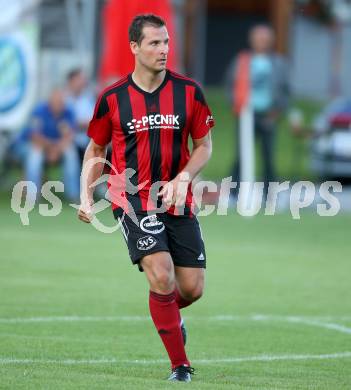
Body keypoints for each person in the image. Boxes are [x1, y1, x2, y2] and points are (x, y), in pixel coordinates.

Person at [78, 14, 214, 382]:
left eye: (166, 42)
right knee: (161, 273)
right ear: (134, 47)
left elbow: (204, 146)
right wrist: (86, 196)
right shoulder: (112, 98)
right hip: (132, 198)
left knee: (191, 288)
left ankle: (166, 310)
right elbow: (95, 149)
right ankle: (180, 366)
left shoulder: (188, 92)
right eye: (154, 43)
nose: (164, 49)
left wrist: (184, 177)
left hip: (177, 198)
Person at [226, 24, 289, 197]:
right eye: (258, 38)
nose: (261, 41)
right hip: (246, 115)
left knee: (268, 155)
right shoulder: (242, 60)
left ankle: (270, 194)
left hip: (268, 114)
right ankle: (234, 193)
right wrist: (237, 106)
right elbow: (231, 86)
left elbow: (285, 90)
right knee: (241, 155)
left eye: (265, 38)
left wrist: (277, 111)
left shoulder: (278, 62)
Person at [11, 88, 80, 202]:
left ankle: (73, 195)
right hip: (31, 145)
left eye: (61, 102)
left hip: (56, 147)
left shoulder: (68, 112)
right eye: (57, 101)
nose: (59, 104)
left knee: (71, 152)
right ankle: (32, 196)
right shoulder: (39, 111)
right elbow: (34, 136)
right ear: (50, 101)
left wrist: (57, 149)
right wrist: (51, 148)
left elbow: (70, 136)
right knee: (35, 154)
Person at [65, 68, 96, 160]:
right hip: (67, 141)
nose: (83, 82)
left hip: (85, 140)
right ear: (71, 80)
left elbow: (93, 122)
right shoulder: (63, 99)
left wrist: (74, 124)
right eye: (80, 79)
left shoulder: (88, 99)